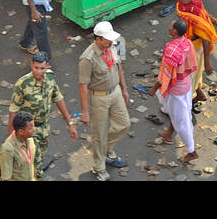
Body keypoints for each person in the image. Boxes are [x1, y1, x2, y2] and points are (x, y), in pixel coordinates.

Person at [8, 50, 77, 179]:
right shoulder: (22, 84)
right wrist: (12, 139)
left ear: (47, 66)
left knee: (39, 157)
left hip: (44, 127)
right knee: (36, 163)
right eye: (36, 68)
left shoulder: (50, 77)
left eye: (42, 68)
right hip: (28, 130)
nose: (38, 71)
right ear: (31, 65)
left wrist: (70, 123)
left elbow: (58, 98)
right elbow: (13, 111)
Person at [78, 19, 130, 182]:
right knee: (98, 133)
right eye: (107, 39)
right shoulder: (87, 59)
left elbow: (118, 67)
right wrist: (85, 111)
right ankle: (99, 167)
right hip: (98, 98)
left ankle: (106, 149)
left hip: (115, 92)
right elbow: (83, 86)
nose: (111, 41)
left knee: (124, 124)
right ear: (98, 39)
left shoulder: (113, 46)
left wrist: (124, 89)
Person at [149, 18, 198, 164]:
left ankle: (192, 151)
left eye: (171, 26)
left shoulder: (171, 50)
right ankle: (169, 133)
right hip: (186, 84)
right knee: (177, 113)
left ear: (175, 31)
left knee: (182, 122)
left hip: (175, 90)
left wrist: (154, 87)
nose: (169, 27)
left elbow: (166, 74)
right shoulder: (187, 42)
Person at [176, 0, 217, 105]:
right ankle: (200, 93)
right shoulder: (182, 3)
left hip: (194, 47)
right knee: (194, 72)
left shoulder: (195, 11)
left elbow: (205, 38)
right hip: (186, 43)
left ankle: (186, 104)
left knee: (188, 76)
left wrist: (207, 62)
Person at [0, 111, 37, 182]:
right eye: (30, 128)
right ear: (20, 131)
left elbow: (31, 164)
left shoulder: (30, 139)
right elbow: (6, 178)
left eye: (34, 126)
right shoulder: (8, 149)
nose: (34, 130)